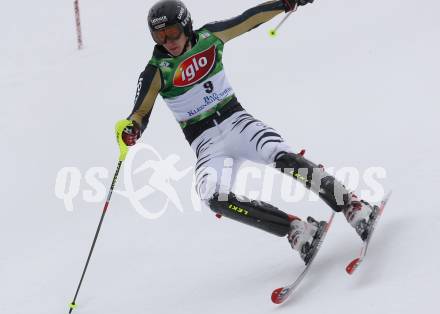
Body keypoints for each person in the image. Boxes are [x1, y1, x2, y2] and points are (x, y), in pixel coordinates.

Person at [117, 0, 376, 263]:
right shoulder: (156, 71)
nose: (168, 41)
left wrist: (285, 4)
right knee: (213, 197)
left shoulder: (210, 37)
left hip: (237, 122)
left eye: (172, 32)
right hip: (206, 144)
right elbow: (139, 113)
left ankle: (352, 205)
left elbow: (249, 19)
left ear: (186, 25)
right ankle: (296, 229)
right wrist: (132, 129)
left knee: (280, 155)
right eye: (159, 36)